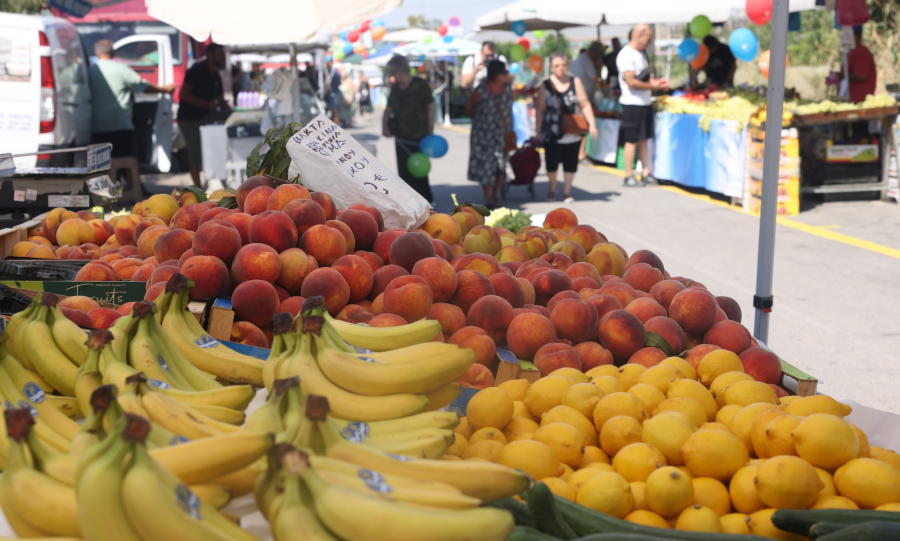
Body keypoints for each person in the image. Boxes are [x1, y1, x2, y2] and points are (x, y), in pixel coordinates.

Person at [87, 40, 175, 159]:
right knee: (125, 162)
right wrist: (165, 89)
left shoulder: (89, 71)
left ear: (97, 53)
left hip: (97, 127)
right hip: (121, 126)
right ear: (113, 53)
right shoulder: (121, 69)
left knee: (100, 165)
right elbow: (143, 87)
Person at [534, 53, 598, 204]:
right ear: (552, 67)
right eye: (557, 65)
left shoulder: (575, 82)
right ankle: (552, 189)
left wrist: (592, 124)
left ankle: (567, 192)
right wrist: (538, 130)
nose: (561, 68)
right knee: (551, 163)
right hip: (552, 132)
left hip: (572, 131)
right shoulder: (546, 85)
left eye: (563, 65)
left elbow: (584, 104)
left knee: (571, 163)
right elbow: (540, 110)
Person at [617, 23, 668, 187]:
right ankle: (629, 175)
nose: (649, 42)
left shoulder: (641, 54)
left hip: (644, 102)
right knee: (631, 140)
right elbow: (631, 82)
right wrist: (653, 86)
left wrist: (655, 83)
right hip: (631, 104)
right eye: (649, 38)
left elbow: (643, 78)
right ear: (639, 36)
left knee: (644, 139)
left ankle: (646, 173)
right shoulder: (626, 55)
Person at [382, 55, 435, 203]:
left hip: (419, 136)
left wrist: (430, 131)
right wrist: (384, 125)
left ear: (400, 71)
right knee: (404, 172)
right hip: (401, 137)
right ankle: (410, 202)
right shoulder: (395, 88)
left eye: (392, 72)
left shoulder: (420, 85)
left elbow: (431, 107)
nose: (391, 75)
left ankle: (427, 200)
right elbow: (389, 108)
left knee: (419, 170)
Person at [178, 43, 229, 188]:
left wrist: (228, 109)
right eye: (220, 54)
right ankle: (198, 190)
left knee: (214, 149)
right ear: (210, 54)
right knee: (194, 154)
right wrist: (206, 104)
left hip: (207, 118)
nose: (223, 57)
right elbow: (183, 94)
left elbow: (220, 99)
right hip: (190, 119)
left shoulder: (216, 75)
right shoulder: (197, 70)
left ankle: (221, 180)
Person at [465, 60, 513, 208]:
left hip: (502, 134)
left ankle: (495, 194)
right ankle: (488, 196)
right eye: (504, 72)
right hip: (482, 135)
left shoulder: (508, 88)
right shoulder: (481, 89)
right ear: (495, 74)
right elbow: (469, 108)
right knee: (485, 166)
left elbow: (509, 108)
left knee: (500, 165)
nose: (507, 74)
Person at [569, 41, 604, 163]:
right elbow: (595, 78)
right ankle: (581, 154)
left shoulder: (578, 60)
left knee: (580, 126)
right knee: (585, 125)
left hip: (577, 96)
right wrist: (599, 66)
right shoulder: (587, 61)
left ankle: (578, 153)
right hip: (584, 98)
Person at [836, 28, 876, 104]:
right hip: (850, 99)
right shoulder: (851, 52)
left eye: (845, 35)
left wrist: (839, 75)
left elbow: (861, 75)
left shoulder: (862, 52)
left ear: (854, 35)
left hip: (860, 100)